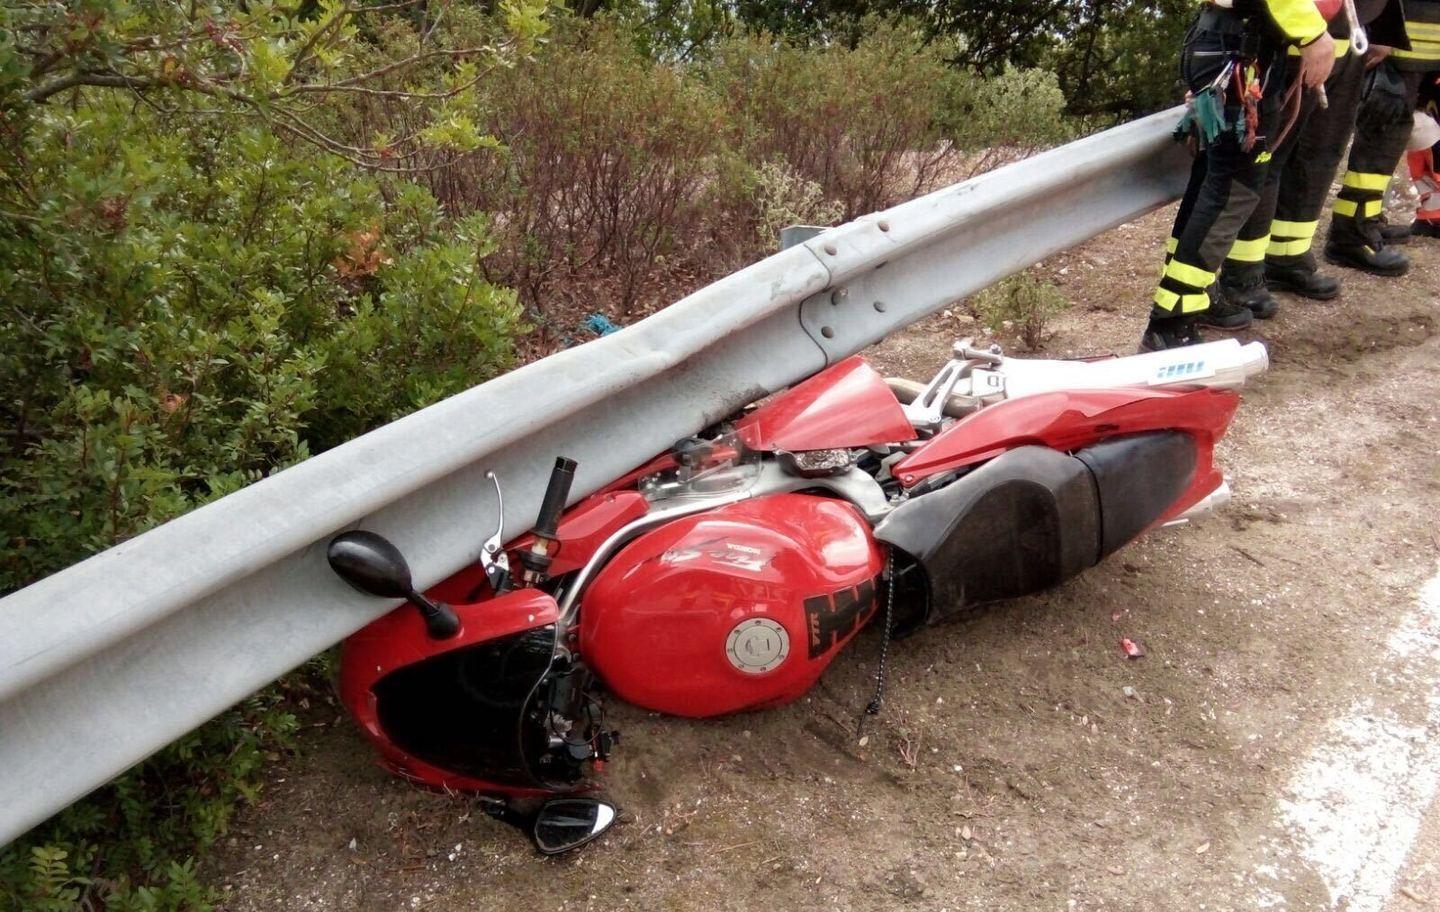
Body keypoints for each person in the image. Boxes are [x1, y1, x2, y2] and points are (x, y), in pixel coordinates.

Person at [1142, 0, 1336, 352]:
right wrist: (1313, 34)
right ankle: (1172, 319)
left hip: (1231, 47)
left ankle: (1191, 297)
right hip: (1240, 56)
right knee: (1233, 188)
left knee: (1213, 181)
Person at [1222, 0, 1409, 309]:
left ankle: (1288, 256)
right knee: (1269, 157)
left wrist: (1384, 27)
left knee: (1321, 153)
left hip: (1347, 34)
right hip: (1296, 38)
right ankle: (1243, 271)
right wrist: (1306, 35)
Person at [1323, 0, 1440, 266]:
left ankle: (1368, 219)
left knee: (1394, 140)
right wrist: (1381, 30)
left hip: (1423, 44)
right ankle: (1351, 233)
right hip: (1402, 43)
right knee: (1381, 139)